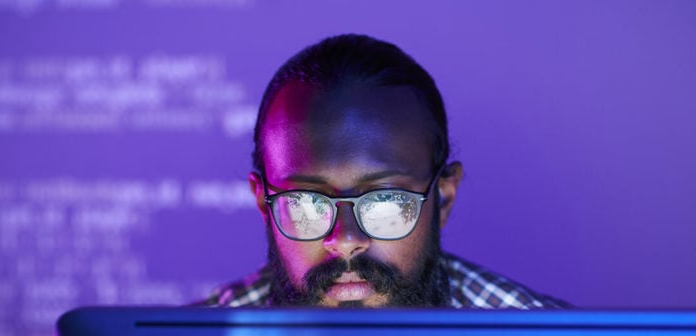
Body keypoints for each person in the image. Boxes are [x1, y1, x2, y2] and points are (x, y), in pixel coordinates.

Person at [200, 34, 568, 308]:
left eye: (386, 201)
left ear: (443, 197)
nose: (345, 240)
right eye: (306, 204)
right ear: (264, 203)